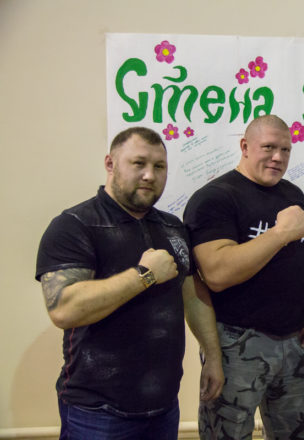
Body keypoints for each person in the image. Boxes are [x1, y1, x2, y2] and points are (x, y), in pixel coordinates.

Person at [35, 127, 223, 440]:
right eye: (138, 163)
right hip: (96, 411)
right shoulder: (75, 225)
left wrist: (213, 357)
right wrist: (144, 275)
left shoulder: (172, 227)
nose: (150, 175)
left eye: (159, 166)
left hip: (164, 406)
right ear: (110, 164)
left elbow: (191, 296)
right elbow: (64, 309)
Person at [183, 114, 304, 440]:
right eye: (269, 147)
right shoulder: (215, 198)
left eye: (286, 150)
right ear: (245, 147)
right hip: (235, 345)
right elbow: (216, 273)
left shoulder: (292, 194)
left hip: (293, 342)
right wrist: (279, 234)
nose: (278, 157)